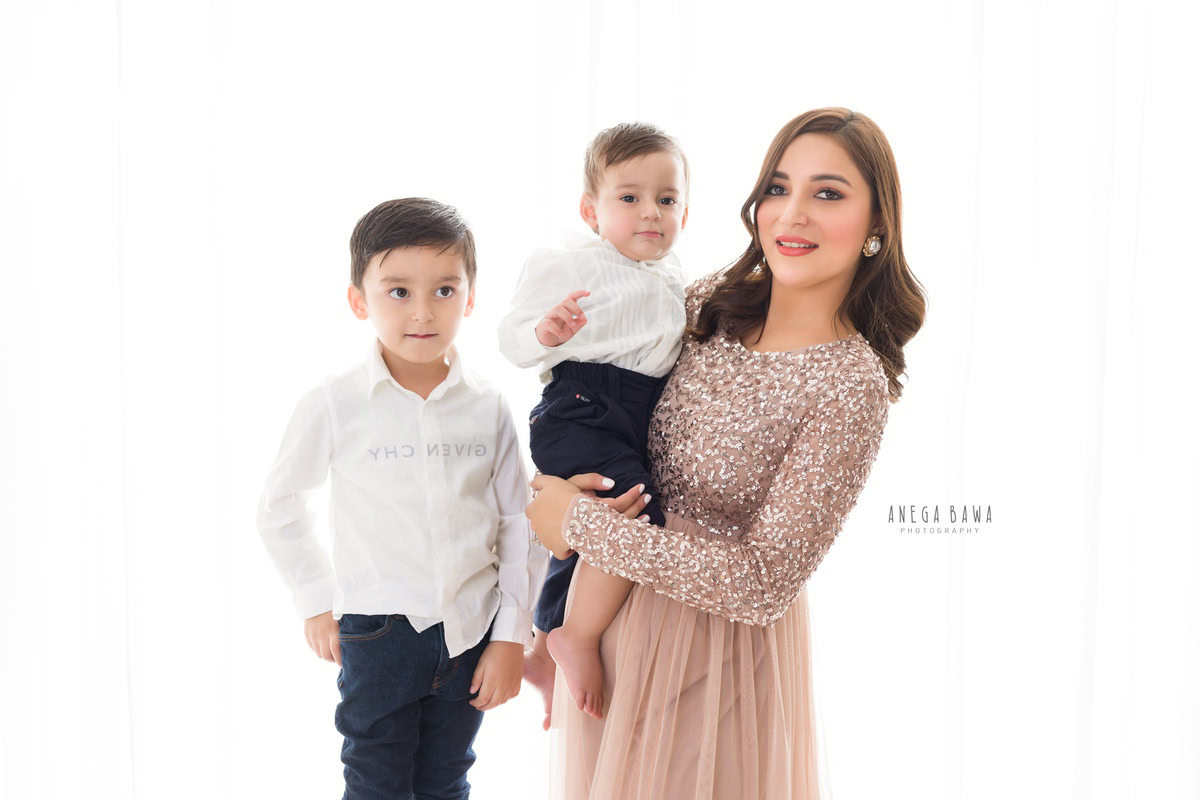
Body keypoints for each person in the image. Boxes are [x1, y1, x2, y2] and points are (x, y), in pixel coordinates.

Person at [525, 108, 926, 799]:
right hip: (609, 633)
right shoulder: (713, 301)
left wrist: (580, 523)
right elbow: (600, 400)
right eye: (778, 188)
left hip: (714, 667)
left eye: (828, 194)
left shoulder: (849, 383)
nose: (792, 214)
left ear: (876, 226)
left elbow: (763, 583)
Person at [256, 197, 546, 799]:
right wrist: (315, 601)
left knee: (446, 781)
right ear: (359, 300)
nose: (422, 311)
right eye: (398, 291)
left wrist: (510, 636)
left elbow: (519, 522)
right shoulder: (335, 402)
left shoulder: (488, 405)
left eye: (444, 290)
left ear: (469, 298)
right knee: (376, 784)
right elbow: (280, 507)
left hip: (470, 631)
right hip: (377, 633)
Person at [497, 122, 689, 726]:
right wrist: (544, 332)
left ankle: (541, 648)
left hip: (634, 412)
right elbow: (512, 336)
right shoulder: (574, 264)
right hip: (582, 402)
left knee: (589, 528)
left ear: (686, 211)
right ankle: (575, 637)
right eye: (629, 197)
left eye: (667, 199)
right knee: (632, 515)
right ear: (591, 211)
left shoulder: (675, 276)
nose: (651, 212)